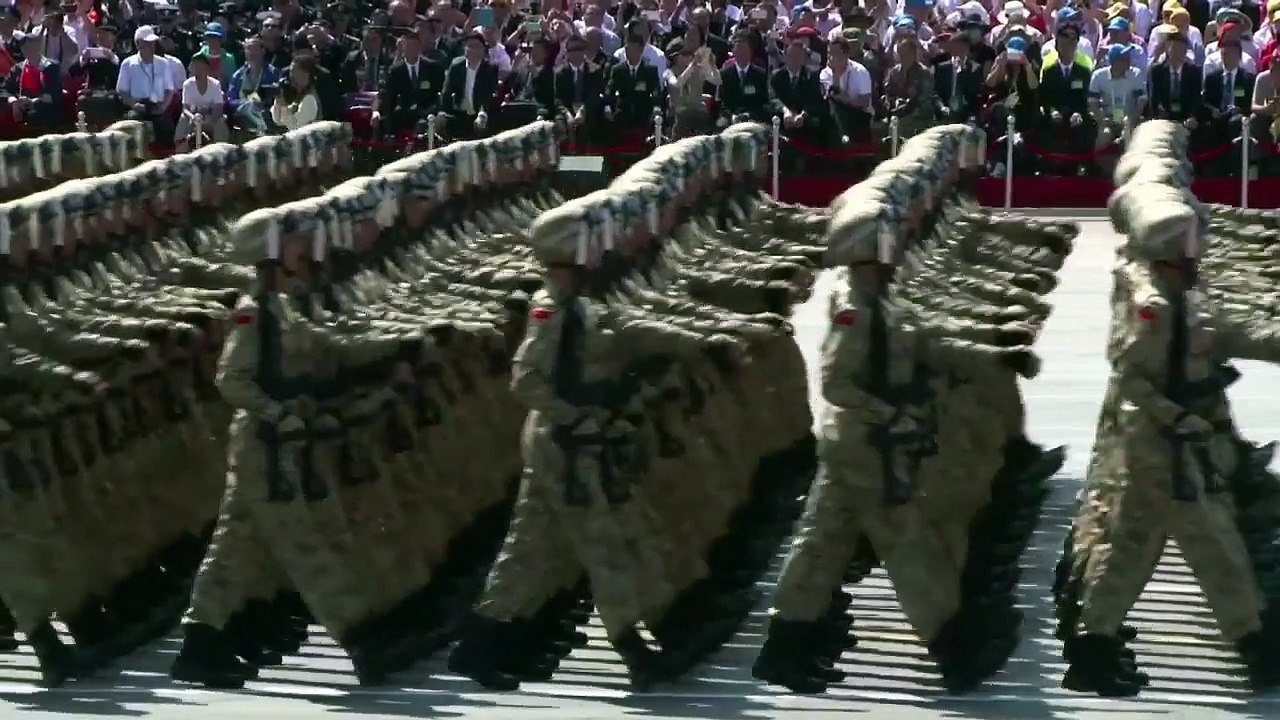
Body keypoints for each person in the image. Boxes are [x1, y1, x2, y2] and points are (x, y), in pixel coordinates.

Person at [117, 25, 178, 142]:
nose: (151, 46)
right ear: (139, 44)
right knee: (133, 124)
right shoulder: (128, 63)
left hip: (157, 105)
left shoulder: (163, 63)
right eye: (148, 43)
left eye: (153, 43)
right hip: (137, 105)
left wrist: (163, 107)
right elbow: (122, 91)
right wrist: (134, 105)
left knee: (166, 127)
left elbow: (169, 90)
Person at [176, 53, 229, 150]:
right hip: (193, 117)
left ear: (206, 68)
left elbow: (218, 108)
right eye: (194, 66)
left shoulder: (215, 84)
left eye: (200, 66)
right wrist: (193, 117)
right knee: (183, 121)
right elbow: (185, 108)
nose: (197, 69)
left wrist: (209, 120)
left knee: (220, 123)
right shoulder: (187, 84)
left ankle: (221, 152)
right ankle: (181, 151)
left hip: (210, 117)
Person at [272, 57, 319, 130]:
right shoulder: (294, 94)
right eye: (291, 71)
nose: (291, 75)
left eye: (295, 72)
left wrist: (284, 107)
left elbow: (297, 127)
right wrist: (278, 103)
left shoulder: (310, 98)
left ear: (305, 74)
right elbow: (278, 121)